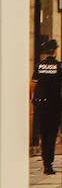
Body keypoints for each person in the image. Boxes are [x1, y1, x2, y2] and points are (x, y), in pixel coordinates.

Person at [34, 38, 61, 174]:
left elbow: (33, 84)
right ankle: (49, 165)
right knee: (51, 135)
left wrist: (34, 100)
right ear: (55, 51)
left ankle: (45, 162)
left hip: (41, 106)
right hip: (55, 106)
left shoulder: (39, 66)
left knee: (43, 134)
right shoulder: (59, 66)